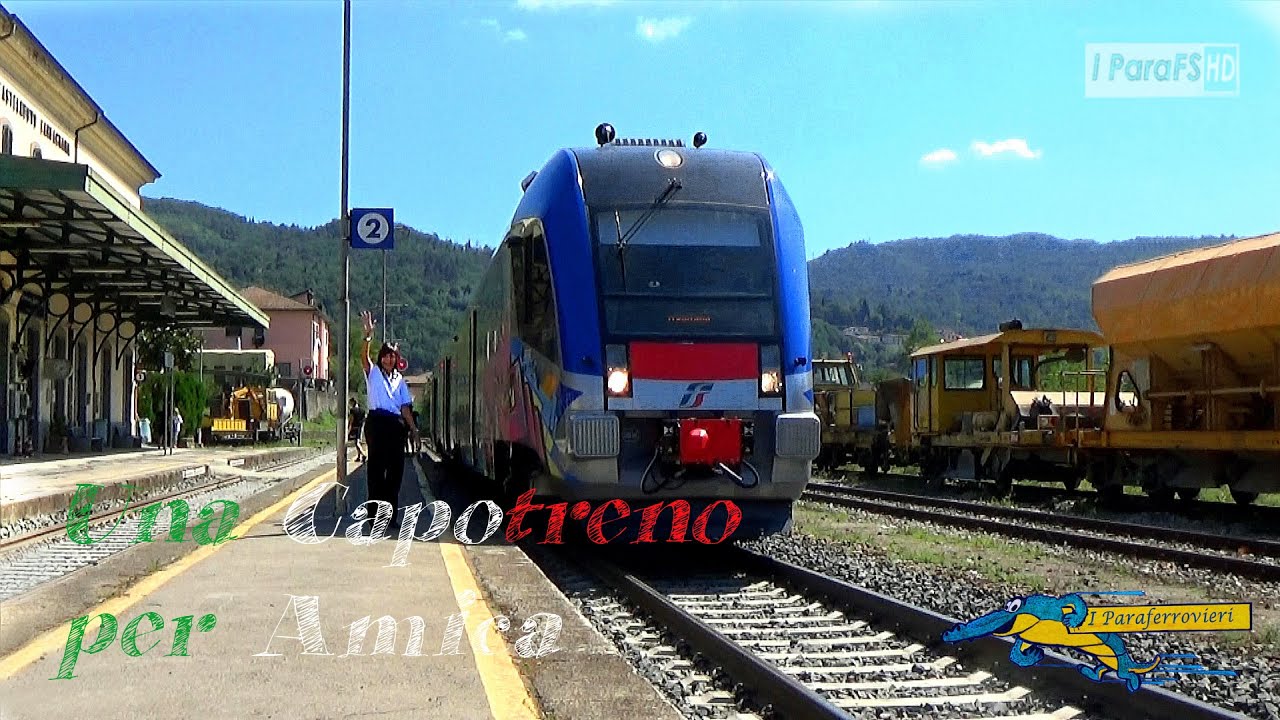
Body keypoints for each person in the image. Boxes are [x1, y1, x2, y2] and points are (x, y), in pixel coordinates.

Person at [360, 310, 420, 531]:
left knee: (395, 473)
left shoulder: (401, 381)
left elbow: (405, 408)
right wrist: (368, 336)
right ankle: (373, 516)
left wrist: (413, 430)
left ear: (397, 359)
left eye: (392, 355)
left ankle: (390, 516)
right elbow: (364, 358)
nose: (388, 358)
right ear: (381, 357)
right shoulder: (373, 373)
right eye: (385, 355)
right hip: (376, 423)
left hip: (396, 427)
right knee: (376, 471)